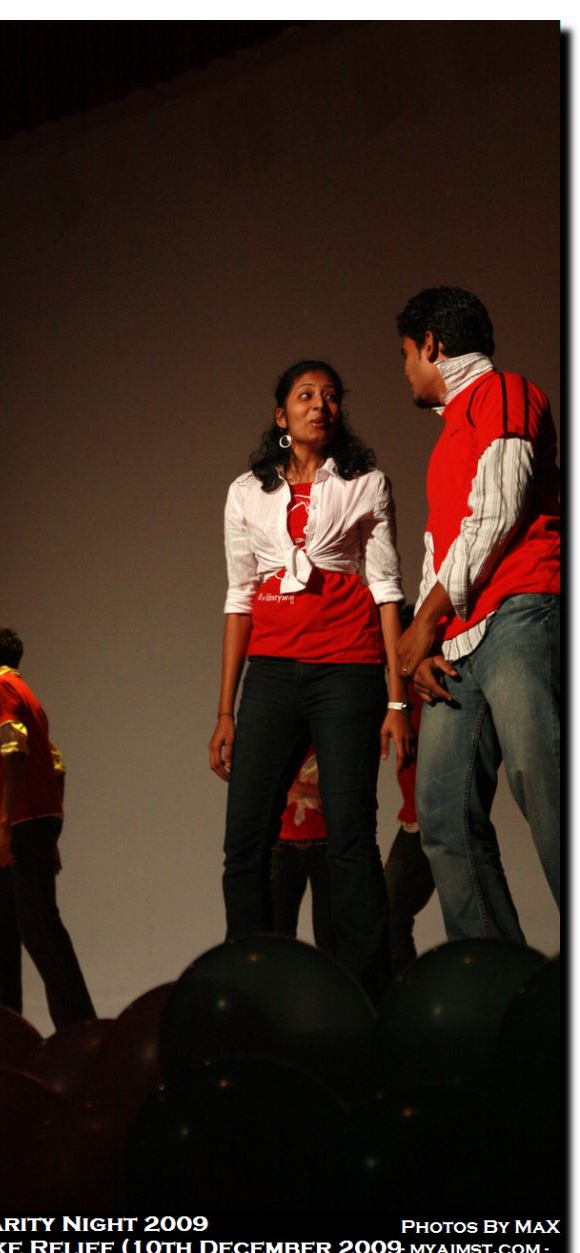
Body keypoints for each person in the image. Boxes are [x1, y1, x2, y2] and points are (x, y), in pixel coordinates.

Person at [209, 359, 415, 1002]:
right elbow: (239, 597)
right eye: (305, 395)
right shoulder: (246, 492)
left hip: (348, 671)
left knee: (351, 840)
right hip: (271, 674)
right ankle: (251, 989)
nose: (320, 405)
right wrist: (225, 711)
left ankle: (364, 997)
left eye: (330, 396)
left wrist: (397, 700)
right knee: (245, 841)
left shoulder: (366, 485)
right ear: (282, 414)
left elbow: (387, 590)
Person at [395, 286, 560, 941]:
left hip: (521, 611)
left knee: (545, 779)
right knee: (441, 814)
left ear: (431, 345)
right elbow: (440, 548)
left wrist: (422, 622)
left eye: (406, 355)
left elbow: (497, 510)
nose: (406, 370)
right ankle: (496, 981)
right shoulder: (447, 438)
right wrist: (430, 638)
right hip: (459, 643)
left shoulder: (504, 392)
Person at [0, 627, 95, 1029]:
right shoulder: (28, 695)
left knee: (39, 927)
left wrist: (6, 825)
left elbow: (14, 751)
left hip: (23, 822)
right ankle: (3, 1027)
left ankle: (79, 1026)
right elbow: (56, 763)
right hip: (33, 821)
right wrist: (52, 823)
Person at [383, 695, 434, 977]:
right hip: (415, 819)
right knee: (390, 917)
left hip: (440, 815)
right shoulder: (401, 691)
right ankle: (403, 996)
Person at [269, 745, 336, 954]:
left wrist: (297, 788)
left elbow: (342, 794)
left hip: (325, 845)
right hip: (283, 845)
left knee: (328, 934)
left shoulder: (329, 745)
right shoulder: (279, 745)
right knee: (278, 933)